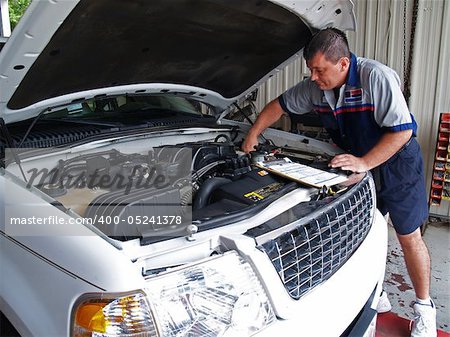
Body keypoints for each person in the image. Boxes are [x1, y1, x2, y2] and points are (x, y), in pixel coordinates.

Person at [242, 28, 436, 337]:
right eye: (311, 70)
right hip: (360, 164)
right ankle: (376, 290)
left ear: (343, 64)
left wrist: (364, 163)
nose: (314, 77)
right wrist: (252, 135)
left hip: (398, 163)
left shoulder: (377, 77)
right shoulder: (315, 88)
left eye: (320, 70)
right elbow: (278, 106)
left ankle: (425, 310)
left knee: (407, 234)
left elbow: (401, 132)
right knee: (366, 228)